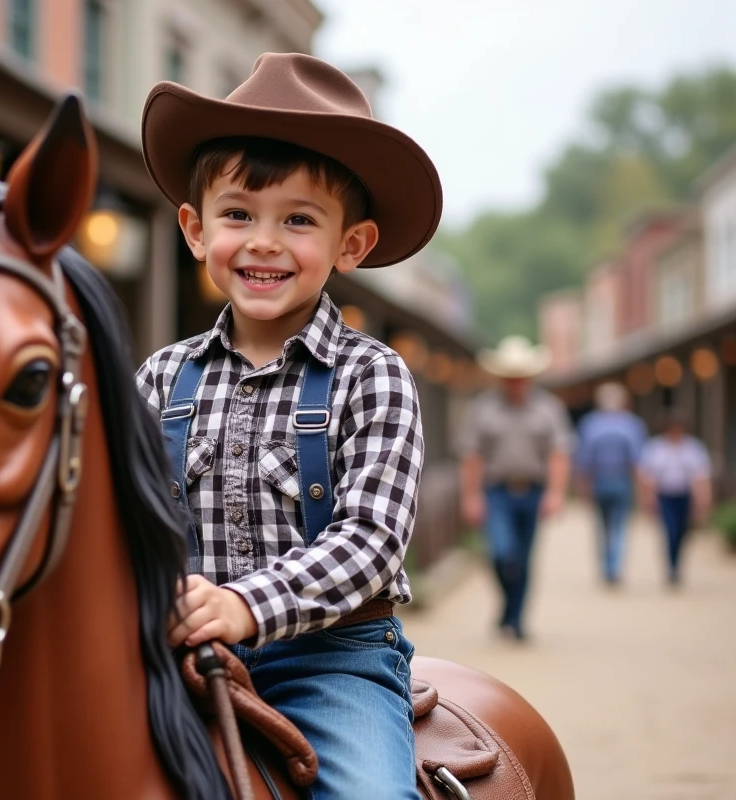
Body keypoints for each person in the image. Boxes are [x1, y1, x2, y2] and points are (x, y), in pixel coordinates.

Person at [135, 53, 438, 799]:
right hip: (171, 651)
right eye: (238, 214)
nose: (264, 241)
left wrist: (244, 605)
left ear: (350, 245)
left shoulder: (372, 376)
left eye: (299, 220)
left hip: (330, 657)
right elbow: (116, 522)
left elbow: (370, 541)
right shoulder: (159, 378)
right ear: (195, 229)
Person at [458, 336, 573, 641]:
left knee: (523, 559)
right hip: (497, 492)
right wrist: (471, 497)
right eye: (510, 377)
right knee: (500, 553)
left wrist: (556, 494)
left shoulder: (549, 408)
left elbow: (558, 454)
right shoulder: (482, 408)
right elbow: (472, 456)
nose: (516, 383)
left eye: (521, 376)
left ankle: (516, 620)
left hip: (533, 492)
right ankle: (509, 607)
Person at [574, 382, 648, 586]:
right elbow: (638, 462)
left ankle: (607, 566)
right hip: (621, 481)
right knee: (620, 526)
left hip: (600, 480)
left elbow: (583, 461)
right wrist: (643, 491)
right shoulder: (632, 424)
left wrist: (581, 488)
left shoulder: (591, 424)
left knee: (602, 527)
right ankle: (614, 567)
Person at [637, 410, 712, 586]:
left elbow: (700, 476)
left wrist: (703, 498)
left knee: (682, 532)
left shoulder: (693, 448)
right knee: (670, 530)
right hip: (665, 496)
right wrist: (647, 498)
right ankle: (671, 566)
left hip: (684, 496)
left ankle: (677, 563)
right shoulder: (656, 448)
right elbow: (647, 476)